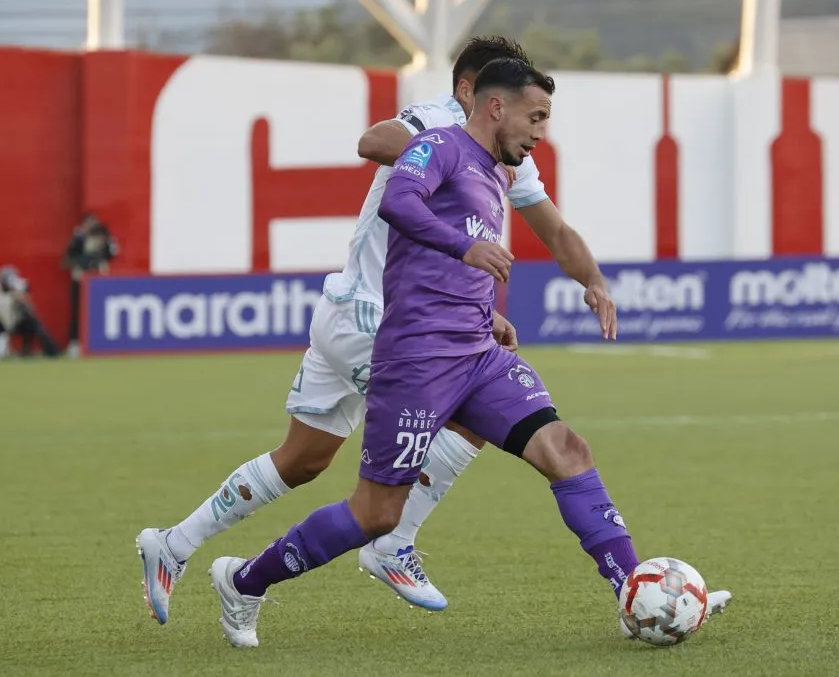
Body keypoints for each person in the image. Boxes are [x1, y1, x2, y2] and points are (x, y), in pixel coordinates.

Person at [207, 58, 730, 649]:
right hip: (416, 360)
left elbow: (548, 233)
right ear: (495, 106)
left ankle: (638, 591)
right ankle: (244, 581)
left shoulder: (500, 171)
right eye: (536, 117)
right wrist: (466, 247)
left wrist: (573, 287)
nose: (540, 132)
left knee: (566, 448)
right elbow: (398, 202)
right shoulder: (440, 147)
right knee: (376, 514)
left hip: (477, 354)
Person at [135, 36, 603, 624]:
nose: (525, 122)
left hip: (353, 311)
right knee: (475, 400)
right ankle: (391, 544)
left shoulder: (510, 158)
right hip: (378, 318)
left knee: (301, 460)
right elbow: (373, 140)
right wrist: (437, 155)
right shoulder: (438, 125)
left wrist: (593, 280)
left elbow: (555, 230)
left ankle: (172, 544)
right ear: (476, 94)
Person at [62, 212, 118, 358]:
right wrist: (78, 239)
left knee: (99, 311)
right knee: (78, 312)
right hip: (80, 279)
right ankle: (74, 345)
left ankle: (100, 343)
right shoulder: (78, 239)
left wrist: (106, 241)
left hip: (98, 281)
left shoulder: (104, 237)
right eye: (88, 224)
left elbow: (112, 254)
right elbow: (68, 258)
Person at [0, 266, 60, 359]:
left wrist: (19, 293)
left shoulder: (17, 290)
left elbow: (29, 306)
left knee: (31, 321)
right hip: (3, 324)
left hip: (14, 322)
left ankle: (43, 350)